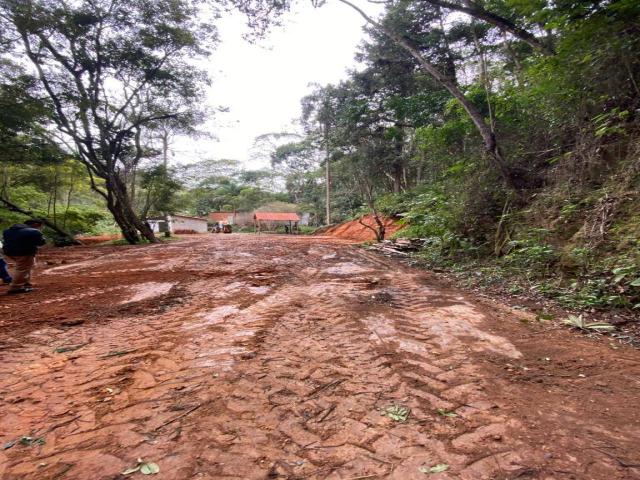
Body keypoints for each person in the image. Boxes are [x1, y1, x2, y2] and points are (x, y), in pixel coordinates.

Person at [2, 219, 46, 294]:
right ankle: (15, 287)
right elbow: (40, 242)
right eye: (40, 226)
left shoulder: (8, 230)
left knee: (28, 266)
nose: (40, 228)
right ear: (35, 224)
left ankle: (25, 282)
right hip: (24, 253)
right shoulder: (34, 231)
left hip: (9, 252)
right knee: (22, 269)